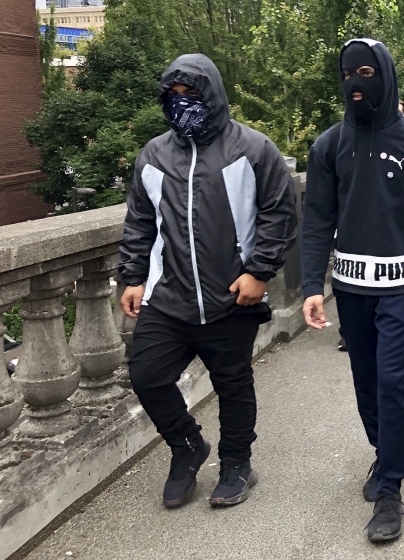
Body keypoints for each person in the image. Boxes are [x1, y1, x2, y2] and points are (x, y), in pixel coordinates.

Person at [119, 54, 298, 510]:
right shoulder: (153, 156)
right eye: (174, 96)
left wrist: (259, 271)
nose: (182, 104)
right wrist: (134, 276)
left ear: (212, 95)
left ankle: (237, 464)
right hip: (169, 297)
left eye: (191, 95)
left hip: (229, 296)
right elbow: (140, 221)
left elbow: (280, 212)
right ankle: (187, 448)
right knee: (147, 375)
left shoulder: (253, 149)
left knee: (233, 383)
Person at [300, 38, 404, 542]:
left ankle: (391, 487)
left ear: (385, 76)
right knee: (365, 380)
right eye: (347, 74)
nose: (355, 84)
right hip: (351, 286)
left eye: (366, 72)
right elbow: (318, 219)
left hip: (403, 286)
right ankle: (381, 452)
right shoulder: (328, 145)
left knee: (392, 380)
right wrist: (310, 286)